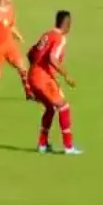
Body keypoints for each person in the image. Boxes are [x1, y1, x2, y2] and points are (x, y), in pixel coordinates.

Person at [27, 10, 82, 155]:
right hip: (43, 79)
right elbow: (53, 58)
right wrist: (66, 75)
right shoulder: (60, 38)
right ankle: (68, 147)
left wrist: (36, 69)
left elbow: (30, 53)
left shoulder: (46, 34)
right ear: (66, 23)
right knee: (64, 107)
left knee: (51, 108)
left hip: (32, 77)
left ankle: (42, 144)